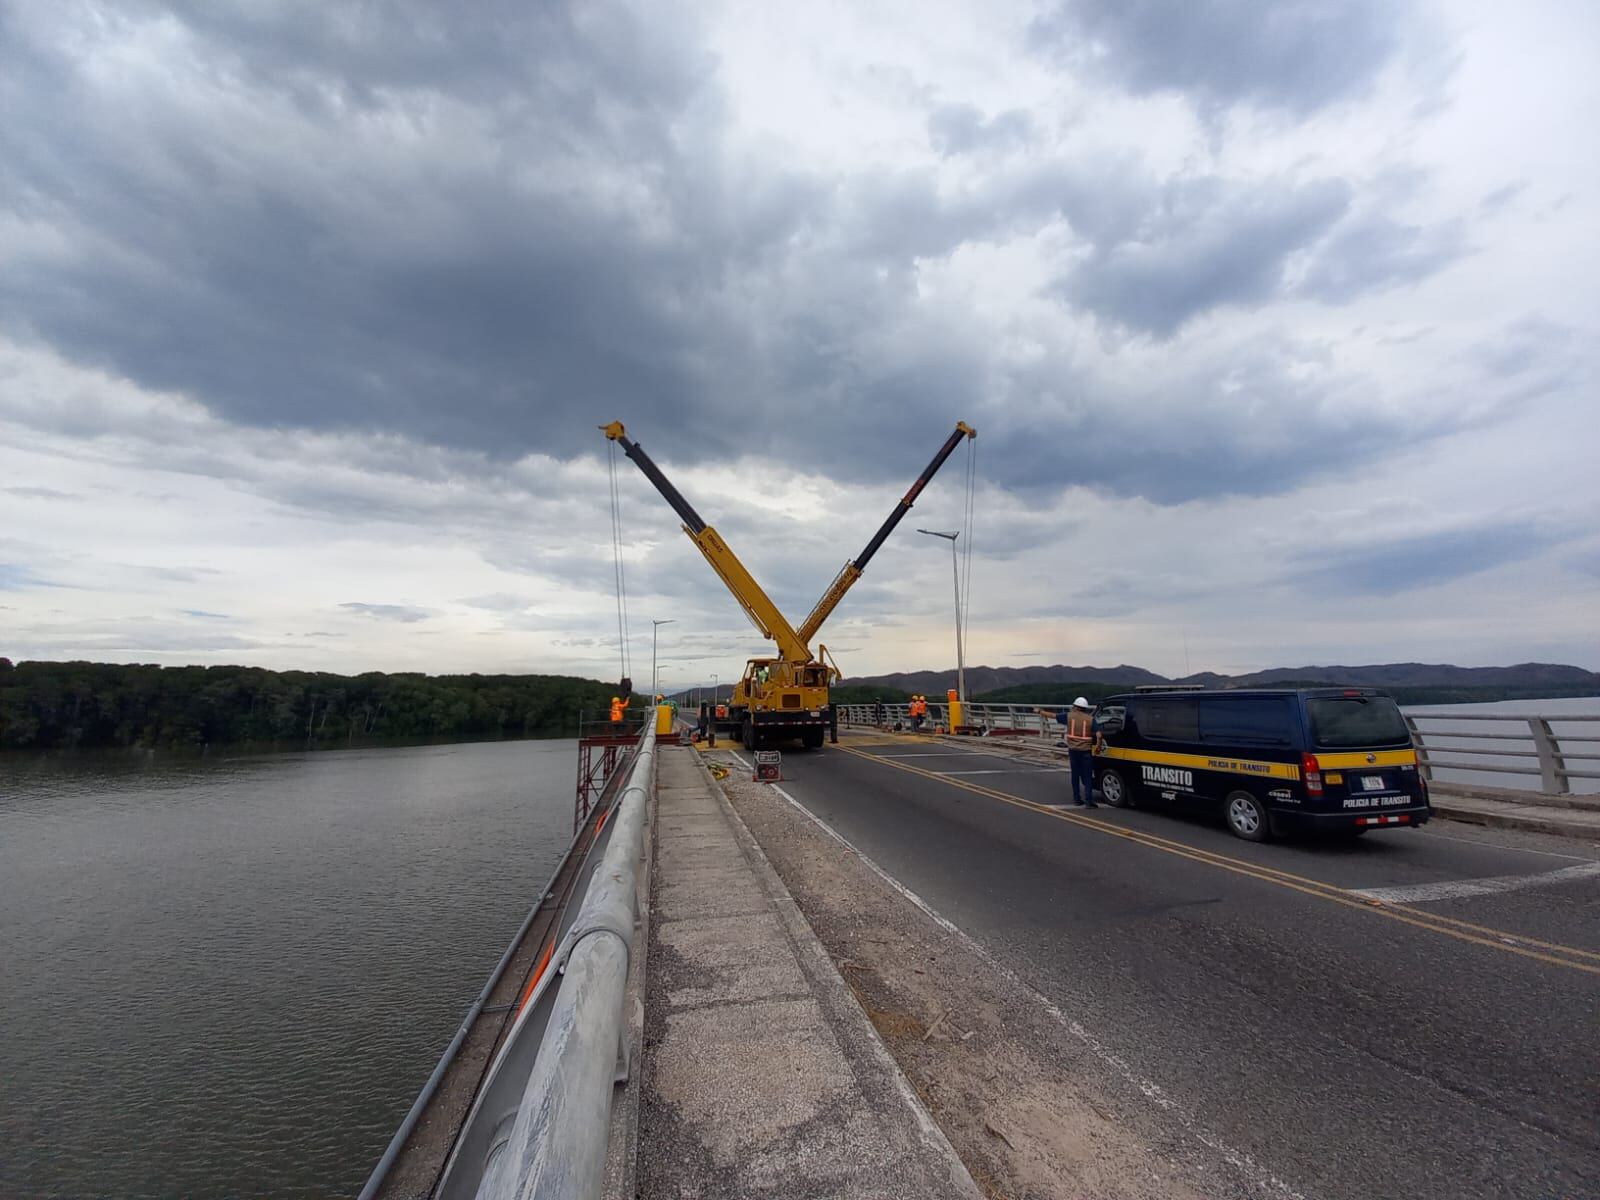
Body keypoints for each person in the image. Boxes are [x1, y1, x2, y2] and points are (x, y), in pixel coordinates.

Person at [1064, 696, 1099, 808]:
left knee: (1075, 775)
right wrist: (1098, 746)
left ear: (1075, 707)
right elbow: (1099, 734)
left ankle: (1077, 799)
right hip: (1086, 751)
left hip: (1073, 751)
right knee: (1087, 776)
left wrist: (1040, 711)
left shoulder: (1069, 716)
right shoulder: (1090, 719)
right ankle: (1089, 801)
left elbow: (1052, 716)